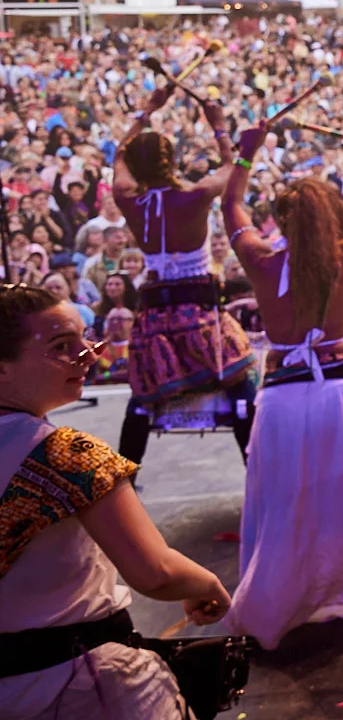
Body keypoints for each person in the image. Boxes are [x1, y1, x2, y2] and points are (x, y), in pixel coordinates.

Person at [0, 283, 232, 720]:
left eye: (84, 340)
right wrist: (208, 584)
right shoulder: (66, 454)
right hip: (80, 699)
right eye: (60, 345)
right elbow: (155, 571)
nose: (87, 356)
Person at [219, 124, 343, 651]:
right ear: (334, 216)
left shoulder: (259, 259)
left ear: (281, 219)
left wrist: (246, 155)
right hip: (337, 399)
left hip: (282, 399)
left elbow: (230, 205)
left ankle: (284, 600)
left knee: (286, 506)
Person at [112, 86, 254, 464]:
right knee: (241, 383)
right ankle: (256, 464)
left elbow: (117, 155)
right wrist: (219, 126)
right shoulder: (195, 196)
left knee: (142, 400)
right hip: (200, 320)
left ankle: (124, 478)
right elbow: (233, 169)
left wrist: (148, 108)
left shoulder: (126, 198)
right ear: (171, 162)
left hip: (154, 325)